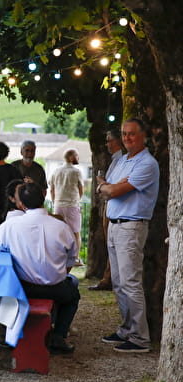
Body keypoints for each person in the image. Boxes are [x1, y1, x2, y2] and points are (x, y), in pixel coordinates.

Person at [0, 182, 80, 353]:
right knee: (72, 293)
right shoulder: (62, 227)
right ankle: (59, 335)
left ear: (21, 204)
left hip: (23, 289)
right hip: (56, 288)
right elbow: (71, 260)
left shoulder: (11, 226)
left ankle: (11, 333)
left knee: (9, 286)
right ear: (44, 196)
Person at [97, 118, 159, 353]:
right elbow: (108, 187)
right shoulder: (123, 160)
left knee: (131, 282)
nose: (126, 138)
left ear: (143, 135)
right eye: (124, 134)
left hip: (131, 226)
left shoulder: (147, 164)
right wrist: (108, 187)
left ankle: (140, 337)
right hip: (115, 225)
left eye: (131, 134)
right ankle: (126, 329)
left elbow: (112, 189)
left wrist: (107, 186)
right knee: (118, 282)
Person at [89, 129, 124, 291]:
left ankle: (109, 278)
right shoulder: (115, 159)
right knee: (109, 242)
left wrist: (102, 182)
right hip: (109, 203)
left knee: (112, 242)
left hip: (114, 203)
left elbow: (114, 185)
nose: (107, 144)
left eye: (109, 140)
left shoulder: (121, 160)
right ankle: (108, 276)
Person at [50, 148, 84, 266]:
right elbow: (80, 189)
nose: (78, 158)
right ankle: (75, 258)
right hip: (72, 205)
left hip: (58, 205)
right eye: (77, 156)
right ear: (71, 157)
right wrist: (77, 200)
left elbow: (52, 189)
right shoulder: (76, 172)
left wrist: (55, 202)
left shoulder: (56, 171)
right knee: (76, 233)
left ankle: (59, 256)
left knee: (59, 232)